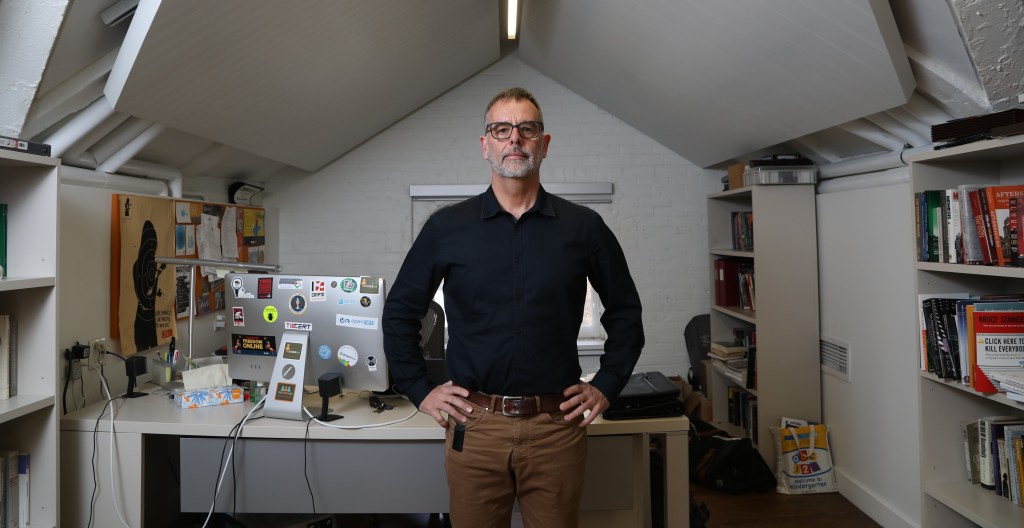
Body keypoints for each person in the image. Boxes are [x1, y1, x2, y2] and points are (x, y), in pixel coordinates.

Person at [382, 86, 644, 527]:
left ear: (544, 143)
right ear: (486, 144)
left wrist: (606, 383)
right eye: (502, 129)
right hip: (476, 427)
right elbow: (399, 312)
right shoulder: (448, 227)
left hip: (556, 429)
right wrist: (419, 389)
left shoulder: (584, 227)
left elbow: (625, 312)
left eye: (527, 129)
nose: (515, 139)